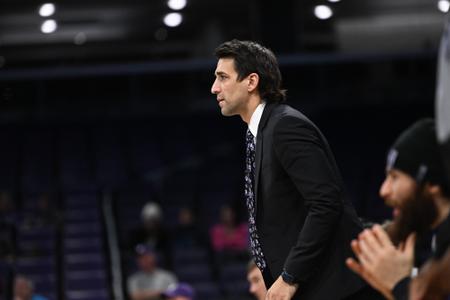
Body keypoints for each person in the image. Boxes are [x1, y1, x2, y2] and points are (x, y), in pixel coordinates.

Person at [211, 39, 366, 300]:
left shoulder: (286, 126)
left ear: (251, 82)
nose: (214, 88)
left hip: (336, 289)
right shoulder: (262, 132)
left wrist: (290, 276)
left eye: (222, 77)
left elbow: (326, 204)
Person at [346, 119, 450, 300]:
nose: (383, 190)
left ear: (431, 182)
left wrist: (399, 285)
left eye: (395, 177)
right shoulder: (438, 244)